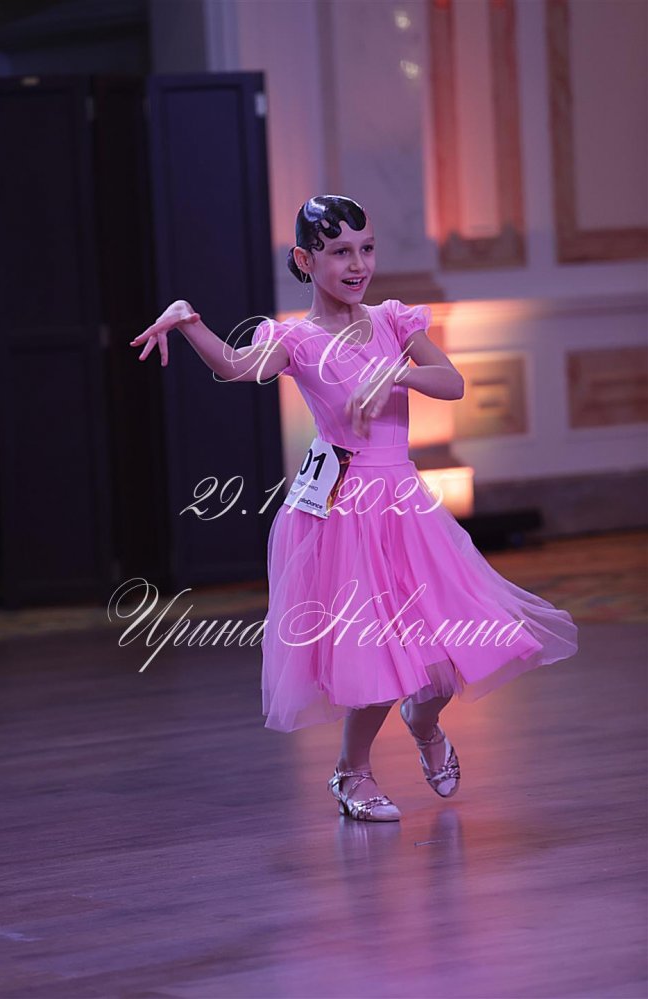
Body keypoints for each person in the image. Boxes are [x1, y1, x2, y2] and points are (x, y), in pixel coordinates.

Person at [130, 194, 579, 824]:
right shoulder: (295, 339)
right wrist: (188, 321)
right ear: (304, 260)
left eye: (366, 249)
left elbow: (451, 382)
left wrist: (398, 374)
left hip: (406, 507)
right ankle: (352, 770)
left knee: (453, 643)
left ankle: (424, 722)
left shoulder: (393, 321)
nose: (358, 264)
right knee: (375, 654)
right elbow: (234, 368)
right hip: (344, 512)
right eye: (340, 252)